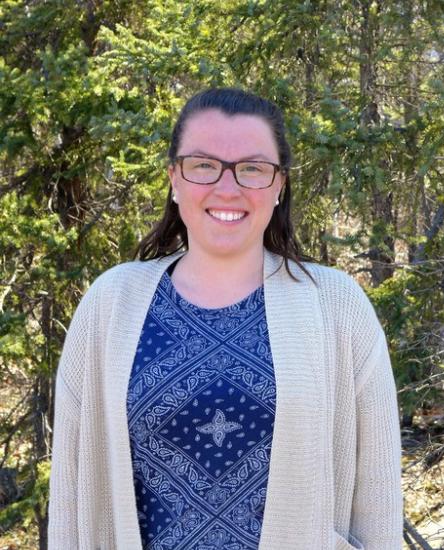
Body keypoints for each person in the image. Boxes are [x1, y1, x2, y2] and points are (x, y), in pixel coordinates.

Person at [47, 88, 403, 550]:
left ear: (279, 186)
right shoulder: (110, 304)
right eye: (203, 165)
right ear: (175, 178)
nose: (228, 187)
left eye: (252, 168)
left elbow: (377, 496)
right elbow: (72, 496)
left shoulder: (337, 306)